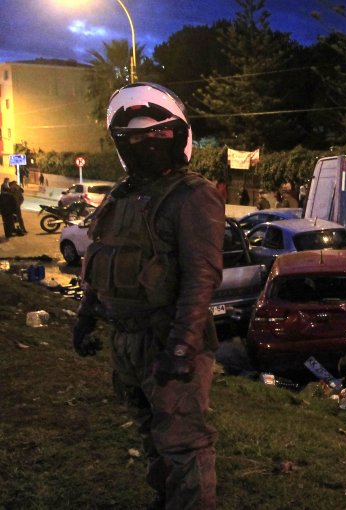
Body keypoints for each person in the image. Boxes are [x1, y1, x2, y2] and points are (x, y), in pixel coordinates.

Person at [70, 82, 223, 509]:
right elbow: (100, 261)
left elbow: (201, 276)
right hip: (126, 341)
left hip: (168, 339)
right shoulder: (121, 197)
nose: (146, 145)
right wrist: (86, 315)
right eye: (135, 137)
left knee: (183, 443)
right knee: (150, 433)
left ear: (179, 136)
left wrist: (181, 347)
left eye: (157, 135)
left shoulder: (193, 196)